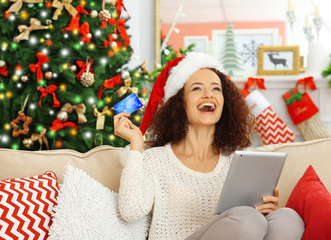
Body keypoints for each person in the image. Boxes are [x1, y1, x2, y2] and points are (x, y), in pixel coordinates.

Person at [113, 52, 304, 240]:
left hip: (245, 229)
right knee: (248, 220)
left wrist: (265, 210)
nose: (208, 95)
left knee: (288, 218)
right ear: (180, 102)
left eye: (216, 89)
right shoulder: (155, 159)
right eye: (197, 89)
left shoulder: (240, 159)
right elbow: (130, 211)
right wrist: (136, 144)